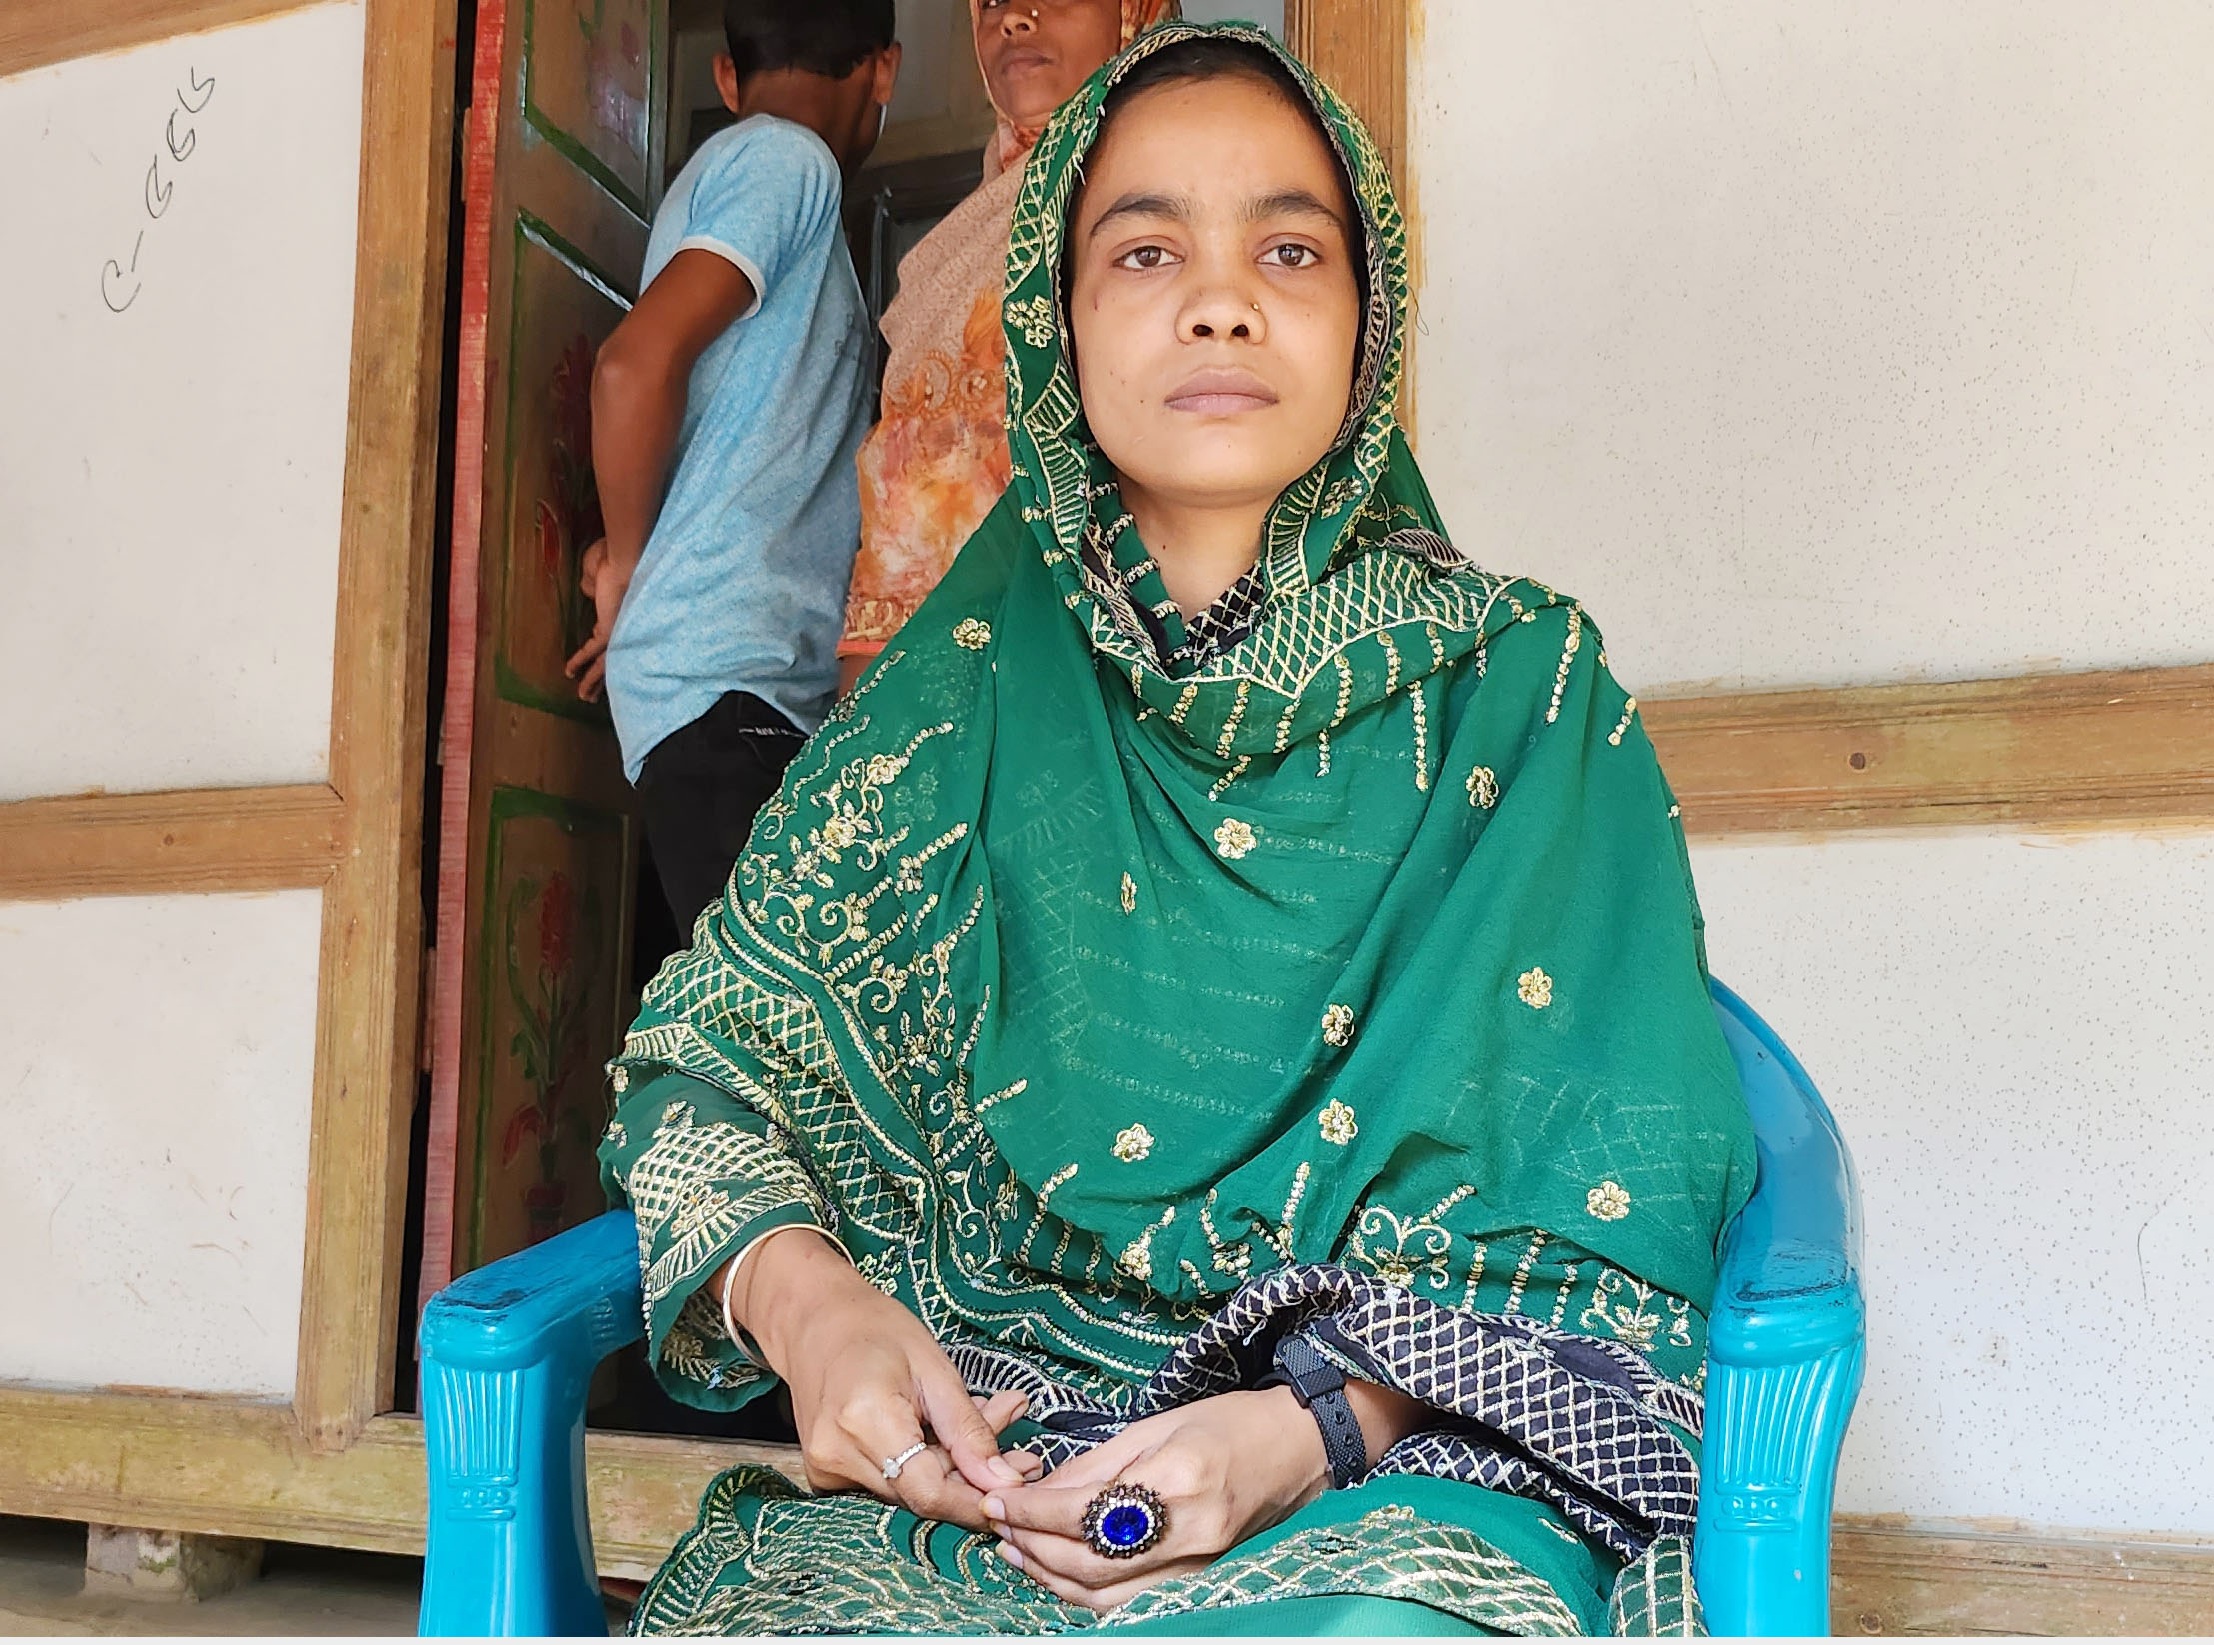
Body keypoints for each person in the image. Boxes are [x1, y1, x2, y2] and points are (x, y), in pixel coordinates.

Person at [600, 23, 1755, 1635]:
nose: (1220, 301)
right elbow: (709, 1069)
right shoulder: (950, 706)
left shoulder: (1524, 699)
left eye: (1289, 248)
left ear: (1368, 317)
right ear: (1056, 322)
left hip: (1385, 1490)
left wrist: (1306, 1431)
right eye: (1145, 251)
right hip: (987, 1480)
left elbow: (1603, 1232)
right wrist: (813, 1311)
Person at [562, 0, 900, 933]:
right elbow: (631, 369)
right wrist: (630, 562)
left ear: (725, 74)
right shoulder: (786, 161)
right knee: (780, 1013)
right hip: (727, 685)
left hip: (739, 693)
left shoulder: (760, 179)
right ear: (884, 70)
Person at [836, 0, 1179, 693]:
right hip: (923, 689)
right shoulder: (967, 239)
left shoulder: (1174, 213)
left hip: (1099, 684)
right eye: (989, 1)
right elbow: (900, 522)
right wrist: (864, 723)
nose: (1013, 17)